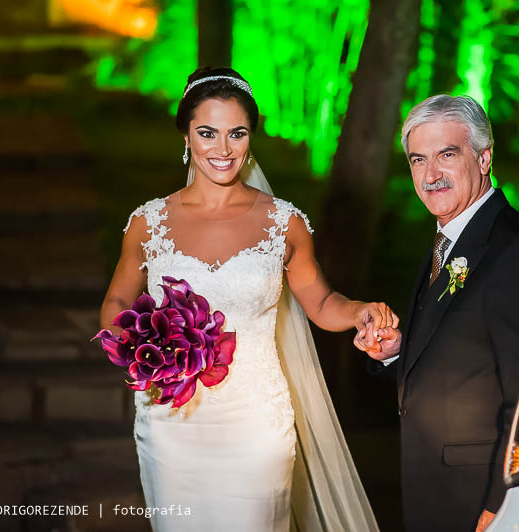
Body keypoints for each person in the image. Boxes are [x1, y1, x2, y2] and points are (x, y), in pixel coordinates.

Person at [99, 66, 398, 532]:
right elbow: (117, 301)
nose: (222, 149)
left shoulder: (283, 223)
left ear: (251, 137)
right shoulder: (148, 222)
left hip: (257, 424)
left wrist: (360, 311)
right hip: (172, 420)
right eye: (207, 133)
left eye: (236, 133)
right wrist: (137, 346)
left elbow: (320, 303)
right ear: (185, 135)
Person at [363, 95, 519, 531]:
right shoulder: (450, 237)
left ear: (484, 158)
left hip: (479, 501)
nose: (431, 175)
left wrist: (501, 505)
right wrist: (398, 352)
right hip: (433, 490)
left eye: (447, 155)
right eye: (418, 160)